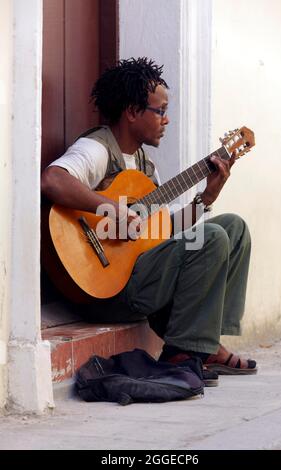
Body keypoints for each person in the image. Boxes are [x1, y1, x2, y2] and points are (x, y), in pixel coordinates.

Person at [41, 57, 257, 384]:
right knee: (213, 239)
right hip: (107, 288)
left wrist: (205, 199)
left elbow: (163, 231)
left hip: (139, 274)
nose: (166, 119)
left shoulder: (146, 167)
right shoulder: (97, 149)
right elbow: (52, 180)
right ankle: (182, 350)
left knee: (232, 229)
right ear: (131, 112)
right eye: (160, 111)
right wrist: (109, 209)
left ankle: (206, 342)